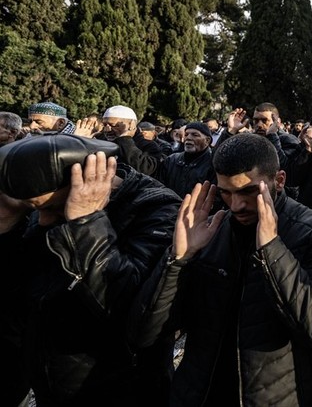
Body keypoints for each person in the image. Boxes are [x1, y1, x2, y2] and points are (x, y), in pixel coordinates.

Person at [129, 132, 312, 406]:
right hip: (200, 394)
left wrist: (272, 248)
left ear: (279, 180)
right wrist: (178, 259)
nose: (236, 205)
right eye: (226, 193)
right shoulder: (210, 231)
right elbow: (146, 332)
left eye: (248, 191)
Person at [0, 134, 179, 406]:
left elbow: (133, 313)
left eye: (53, 209)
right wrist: (7, 229)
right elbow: (20, 292)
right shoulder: (42, 205)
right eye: (37, 211)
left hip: (121, 388)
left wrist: (86, 223)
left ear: (86, 184)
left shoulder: (157, 209)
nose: (44, 220)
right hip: (52, 379)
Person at [158, 121, 215, 198]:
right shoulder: (171, 160)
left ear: (207, 140)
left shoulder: (213, 164)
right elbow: (159, 187)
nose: (188, 138)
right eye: (186, 134)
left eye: (195, 135)